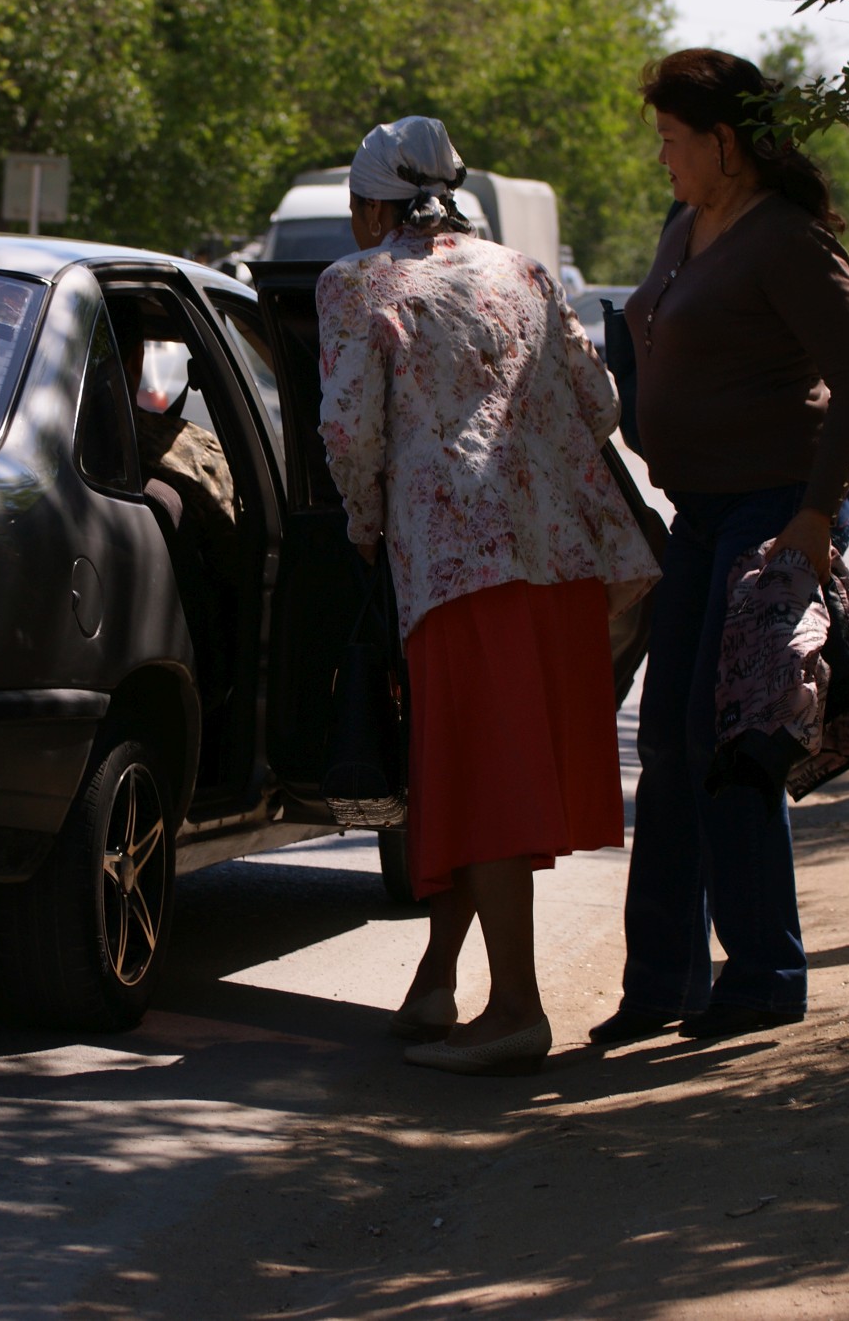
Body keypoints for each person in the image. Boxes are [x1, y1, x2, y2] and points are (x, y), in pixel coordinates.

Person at [318, 116, 660, 1075]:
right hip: (563, 563)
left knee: (482, 781)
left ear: (372, 205)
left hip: (457, 565)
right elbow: (600, 404)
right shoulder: (525, 273)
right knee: (488, 776)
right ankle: (437, 979)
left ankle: (516, 1010)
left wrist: (363, 523)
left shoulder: (358, 284)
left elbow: (348, 432)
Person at [591, 49, 849, 1046]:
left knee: (731, 738)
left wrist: (814, 515)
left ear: (723, 141)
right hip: (700, 513)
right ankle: (658, 984)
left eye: (673, 140)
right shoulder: (687, 223)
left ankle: (761, 973)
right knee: (667, 740)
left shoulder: (788, 240)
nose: (662, 158)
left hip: (770, 512)